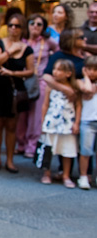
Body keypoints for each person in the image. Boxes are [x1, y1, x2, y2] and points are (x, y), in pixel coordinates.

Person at [0, 12, 34, 173]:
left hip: (15, 90)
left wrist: (13, 74)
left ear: (22, 28)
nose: (13, 28)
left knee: (12, 126)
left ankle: (10, 161)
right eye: (10, 25)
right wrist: (10, 51)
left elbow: (31, 71)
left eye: (17, 26)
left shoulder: (27, 49)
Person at [19, 13, 57, 157]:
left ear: (43, 27)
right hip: (22, 81)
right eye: (32, 23)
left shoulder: (48, 42)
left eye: (39, 24)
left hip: (39, 81)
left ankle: (31, 145)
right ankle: (20, 143)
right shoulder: (22, 41)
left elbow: (59, 53)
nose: (35, 26)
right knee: (21, 114)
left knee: (36, 116)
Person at [39, 58, 80, 188]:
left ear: (68, 73)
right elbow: (45, 105)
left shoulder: (74, 87)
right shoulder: (50, 87)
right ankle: (47, 173)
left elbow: (79, 105)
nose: (55, 72)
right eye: (54, 69)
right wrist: (43, 121)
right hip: (52, 122)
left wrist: (76, 123)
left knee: (68, 149)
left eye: (60, 70)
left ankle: (66, 175)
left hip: (68, 122)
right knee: (48, 148)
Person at [76, 55, 97, 189]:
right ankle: (83, 176)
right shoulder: (80, 82)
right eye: (89, 69)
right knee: (85, 151)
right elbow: (87, 90)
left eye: (95, 69)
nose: (92, 72)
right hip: (87, 121)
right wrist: (86, 78)